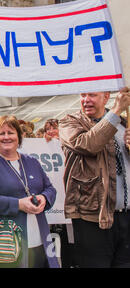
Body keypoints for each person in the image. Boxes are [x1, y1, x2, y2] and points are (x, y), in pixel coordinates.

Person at [0, 115, 59, 268]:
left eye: (11, 132)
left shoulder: (31, 162)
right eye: (1, 133)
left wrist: (44, 198)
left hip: (38, 238)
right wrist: (18, 204)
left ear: (19, 136)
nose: (7, 137)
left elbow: (50, 189)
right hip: (4, 243)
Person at [58, 88, 130, 267]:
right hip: (92, 216)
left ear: (106, 97)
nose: (86, 100)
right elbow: (89, 145)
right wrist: (115, 110)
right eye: (83, 95)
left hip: (125, 216)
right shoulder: (70, 123)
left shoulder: (124, 124)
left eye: (92, 95)